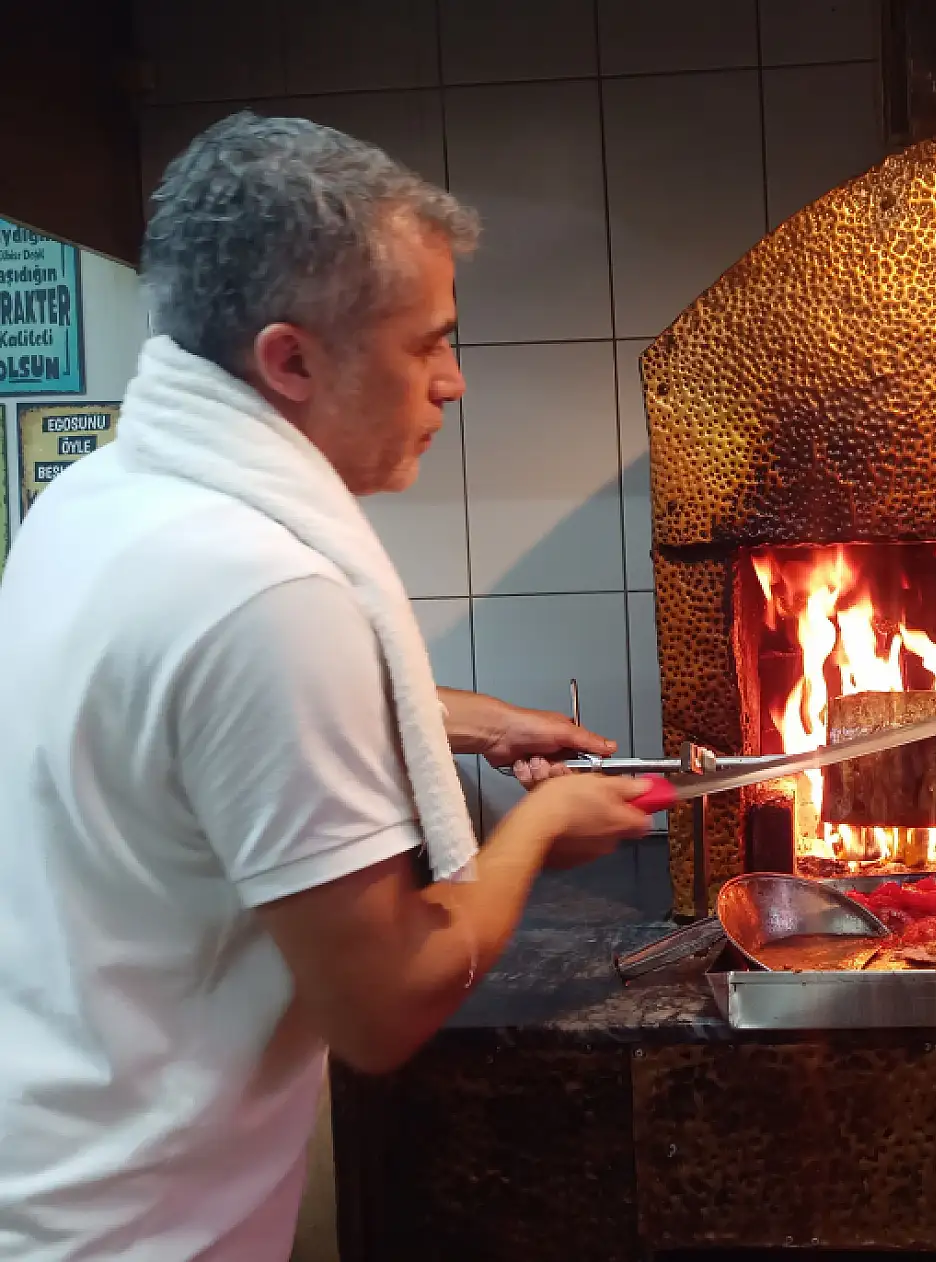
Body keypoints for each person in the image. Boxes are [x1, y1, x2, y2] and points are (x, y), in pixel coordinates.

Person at [0, 113, 656, 1260]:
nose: (452, 385)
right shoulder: (265, 596)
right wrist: (539, 826)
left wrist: (464, 719)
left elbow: (170, 724)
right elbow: (386, 1001)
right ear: (290, 359)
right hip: (129, 1229)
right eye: (427, 345)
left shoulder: (99, 501)